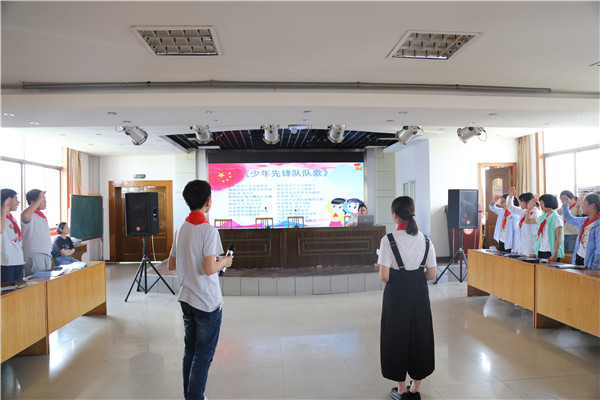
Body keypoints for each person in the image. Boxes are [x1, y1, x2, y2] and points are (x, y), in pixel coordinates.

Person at [168, 180, 233, 400]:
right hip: (207, 302)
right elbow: (208, 269)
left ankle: (190, 395)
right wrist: (224, 262)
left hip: (187, 298)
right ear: (208, 202)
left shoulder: (180, 230)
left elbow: (172, 263)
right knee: (203, 355)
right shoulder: (209, 231)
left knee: (190, 351)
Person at [378, 196, 437, 400]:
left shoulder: (388, 240)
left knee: (395, 337)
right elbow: (432, 274)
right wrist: (415, 280)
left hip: (396, 296)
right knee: (420, 336)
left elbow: (384, 276)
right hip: (419, 295)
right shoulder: (426, 240)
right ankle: (416, 389)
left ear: (395, 215)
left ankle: (401, 390)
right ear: (413, 213)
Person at [560, 192, 600, 269]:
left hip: (590, 263)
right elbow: (569, 218)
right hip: (579, 257)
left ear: (592, 205)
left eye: (584, 203)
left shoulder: (598, 224)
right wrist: (565, 205)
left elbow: (599, 250)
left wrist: (595, 268)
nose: (582, 205)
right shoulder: (584, 221)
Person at [21, 189, 52, 276]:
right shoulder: (29, 214)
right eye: (42, 199)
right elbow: (25, 216)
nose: (45, 201)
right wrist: (39, 200)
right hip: (35, 254)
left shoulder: (41, 216)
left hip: (46, 253)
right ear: (33, 202)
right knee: (37, 281)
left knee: (47, 281)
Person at [506, 188, 542, 256]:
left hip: (529, 249)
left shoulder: (536, 214)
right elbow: (511, 207)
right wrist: (510, 196)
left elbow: (535, 235)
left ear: (528, 202)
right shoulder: (523, 211)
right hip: (520, 248)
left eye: (521, 202)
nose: (520, 204)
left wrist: (533, 252)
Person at [1, 189, 25, 283]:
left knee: (19, 288)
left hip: (18, 260)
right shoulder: (1, 218)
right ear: (8, 200)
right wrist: (4, 209)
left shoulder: (13, 219)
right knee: (8, 289)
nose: (18, 202)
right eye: (16, 199)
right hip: (6, 262)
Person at [533, 194, 564, 262]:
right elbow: (527, 221)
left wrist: (555, 254)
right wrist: (529, 208)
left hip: (550, 251)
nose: (541, 205)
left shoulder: (557, 218)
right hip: (541, 250)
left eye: (542, 203)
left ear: (548, 203)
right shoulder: (543, 217)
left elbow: (559, 238)